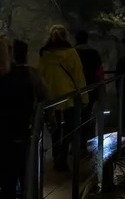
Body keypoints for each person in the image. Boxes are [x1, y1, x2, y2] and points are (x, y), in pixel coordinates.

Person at [0, 37, 49, 198]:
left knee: (9, 178)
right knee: (20, 173)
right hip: (17, 133)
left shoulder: (15, 77)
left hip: (10, 134)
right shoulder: (24, 76)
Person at [38, 25, 88, 172]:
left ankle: (55, 156)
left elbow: (41, 75)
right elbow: (78, 76)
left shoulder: (44, 54)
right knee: (69, 128)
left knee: (54, 128)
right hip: (69, 97)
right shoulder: (71, 53)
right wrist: (84, 97)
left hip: (51, 97)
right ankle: (62, 157)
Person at [75, 30, 104, 150]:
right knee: (86, 115)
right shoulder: (93, 53)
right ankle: (83, 142)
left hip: (75, 88)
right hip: (90, 87)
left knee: (75, 116)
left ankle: (75, 143)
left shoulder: (73, 52)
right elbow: (99, 70)